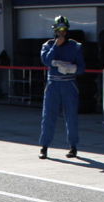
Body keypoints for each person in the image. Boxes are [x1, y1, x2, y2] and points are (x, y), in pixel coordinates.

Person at [38, 15, 85, 160]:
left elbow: (82, 67)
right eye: (59, 30)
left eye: (64, 30)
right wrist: (56, 46)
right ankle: (44, 147)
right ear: (55, 30)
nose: (62, 32)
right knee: (48, 116)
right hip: (53, 83)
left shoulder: (75, 46)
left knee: (71, 116)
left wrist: (71, 69)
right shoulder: (48, 45)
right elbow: (46, 61)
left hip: (69, 83)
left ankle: (73, 146)